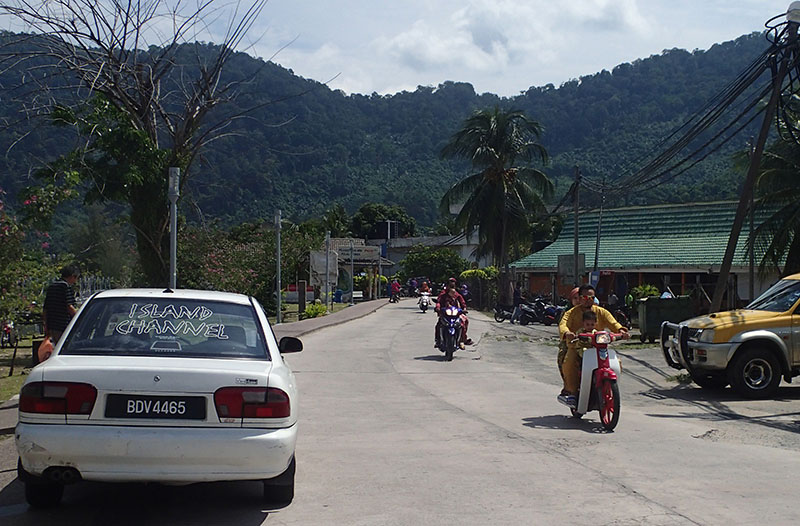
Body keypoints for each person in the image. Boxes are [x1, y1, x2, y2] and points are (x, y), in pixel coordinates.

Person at [557, 284, 629, 408]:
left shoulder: (601, 311)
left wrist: (621, 330)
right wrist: (567, 333)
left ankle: (610, 388)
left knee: (617, 362)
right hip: (577, 346)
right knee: (569, 362)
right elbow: (563, 324)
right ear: (579, 298)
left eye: (591, 297)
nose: (588, 300)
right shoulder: (571, 313)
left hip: (599, 347)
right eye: (585, 297)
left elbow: (613, 322)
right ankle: (572, 393)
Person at [43, 265, 80, 344]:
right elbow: (69, 307)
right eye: (76, 278)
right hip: (63, 325)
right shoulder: (65, 287)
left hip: (52, 324)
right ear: (72, 276)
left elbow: (45, 308)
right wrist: (79, 317)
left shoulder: (51, 287)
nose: (75, 281)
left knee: (57, 346)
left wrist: (46, 324)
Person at [434, 278, 472, 348]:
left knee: (464, 322)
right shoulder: (443, 294)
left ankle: (462, 340)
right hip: (445, 314)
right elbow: (438, 302)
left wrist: (464, 308)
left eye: (453, 283)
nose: (452, 285)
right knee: (439, 325)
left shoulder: (457, 294)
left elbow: (462, 302)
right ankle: (438, 340)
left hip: (456, 314)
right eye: (450, 283)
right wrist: (438, 308)